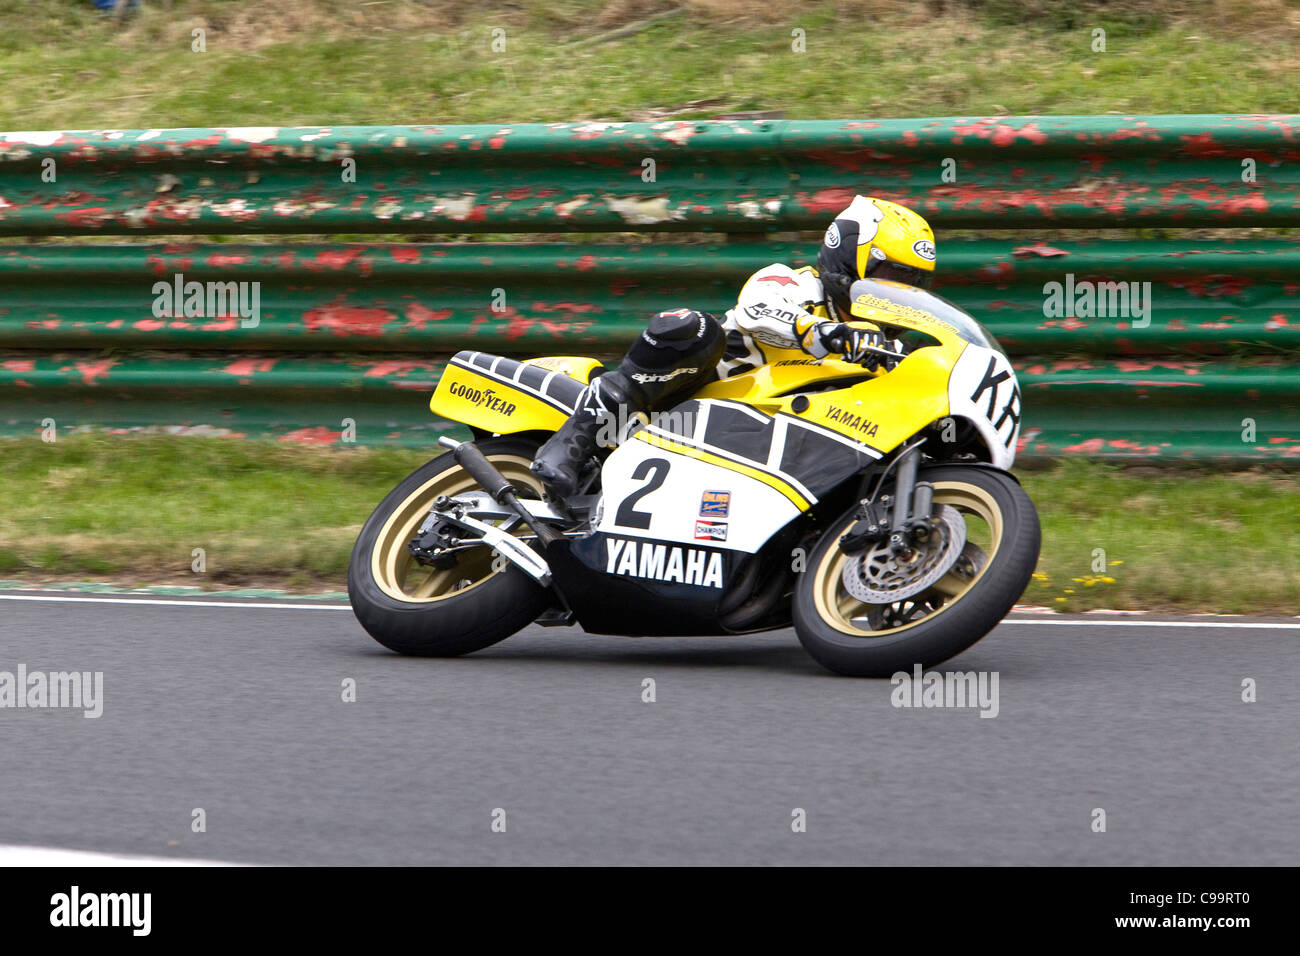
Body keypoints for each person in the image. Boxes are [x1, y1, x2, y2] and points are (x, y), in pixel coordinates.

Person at [529, 195, 938, 499]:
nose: (896, 290)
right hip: (681, 405)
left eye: (909, 283)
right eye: (890, 274)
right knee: (693, 326)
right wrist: (827, 334)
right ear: (849, 255)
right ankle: (574, 440)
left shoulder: (878, 345)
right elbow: (756, 309)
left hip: (755, 444)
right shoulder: (792, 282)